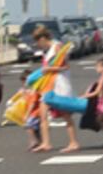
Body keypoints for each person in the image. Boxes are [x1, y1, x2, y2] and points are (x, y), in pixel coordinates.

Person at [31, 26, 80, 154]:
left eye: (37, 41)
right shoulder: (46, 51)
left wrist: (49, 69)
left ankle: (73, 142)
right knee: (43, 114)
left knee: (66, 114)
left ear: (43, 38)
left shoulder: (57, 46)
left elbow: (65, 66)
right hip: (48, 85)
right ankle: (46, 143)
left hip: (60, 84)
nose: (37, 45)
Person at [16, 69, 41, 150]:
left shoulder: (34, 90)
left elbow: (32, 103)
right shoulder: (31, 90)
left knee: (28, 126)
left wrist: (27, 114)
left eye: (25, 82)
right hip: (35, 112)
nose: (24, 84)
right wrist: (23, 93)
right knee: (35, 128)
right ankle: (39, 141)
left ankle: (33, 141)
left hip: (34, 112)